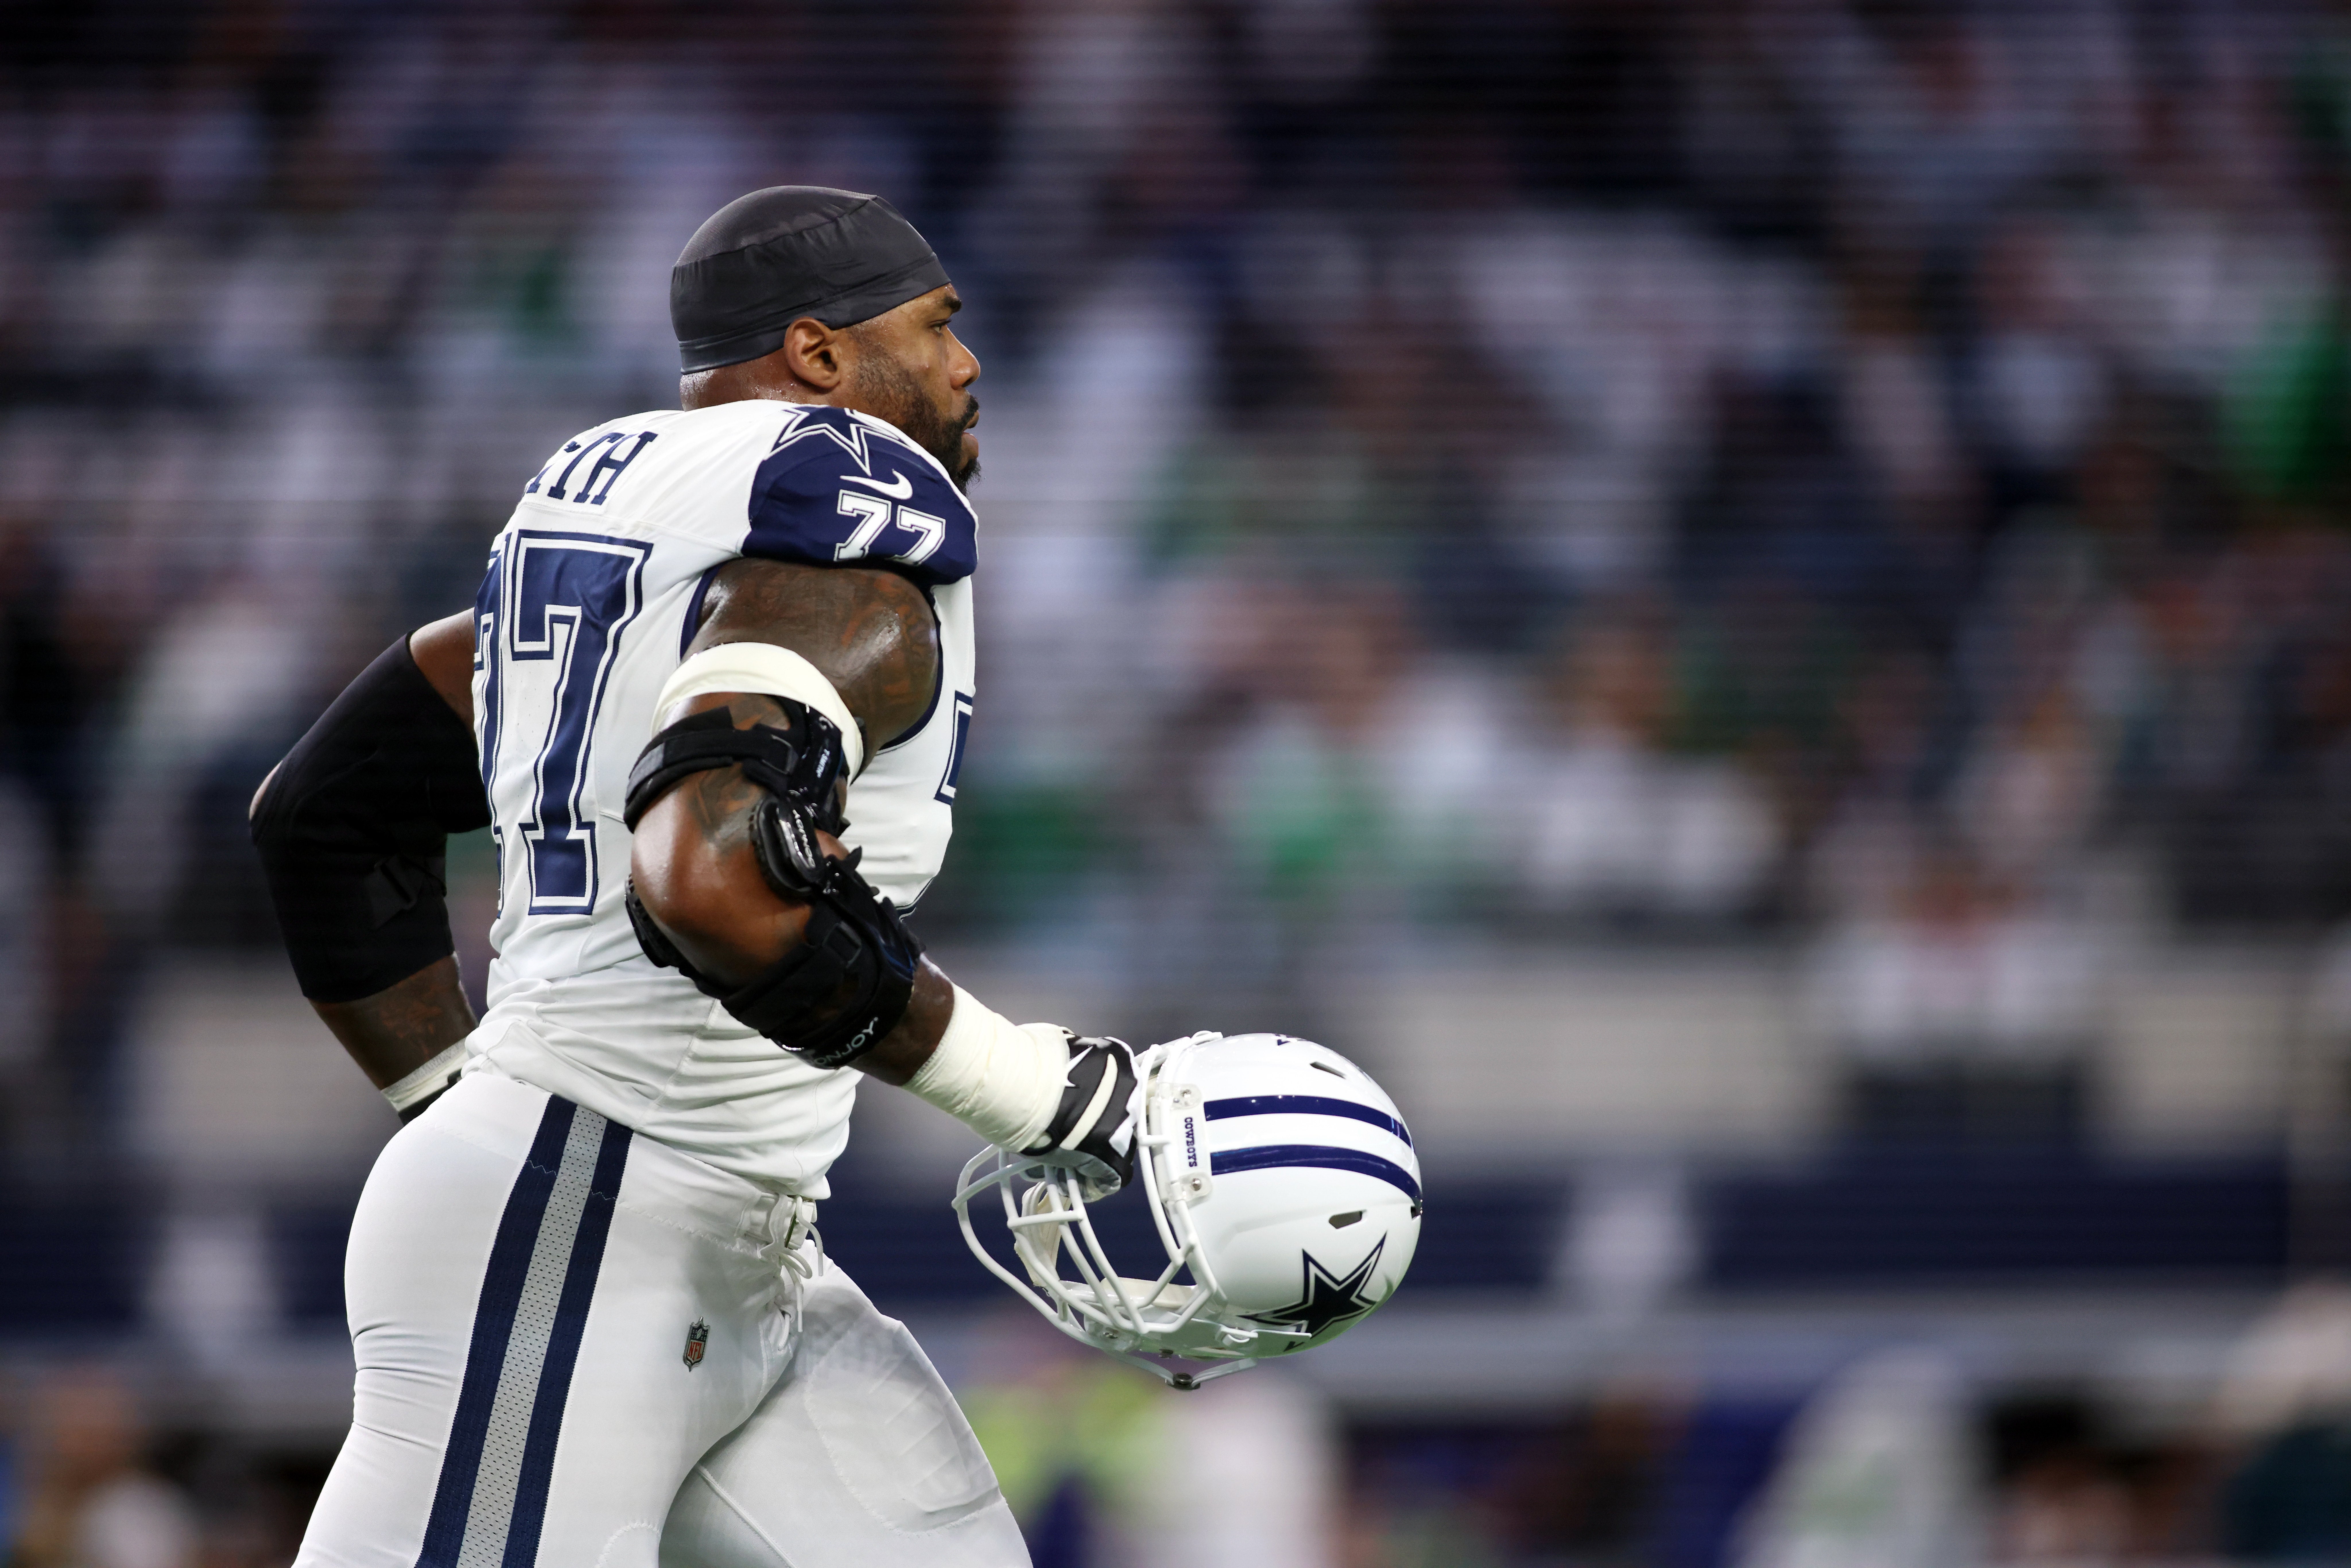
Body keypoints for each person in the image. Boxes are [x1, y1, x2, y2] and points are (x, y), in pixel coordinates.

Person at [251, 186, 1142, 1568]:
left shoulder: (616, 489)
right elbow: (715, 880)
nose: (968, 366)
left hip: (717, 1234)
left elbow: (325, 811)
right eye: (938, 326)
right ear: (820, 353)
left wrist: (454, 1107)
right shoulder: (848, 485)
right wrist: (1033, 1092)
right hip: (588, 1209)